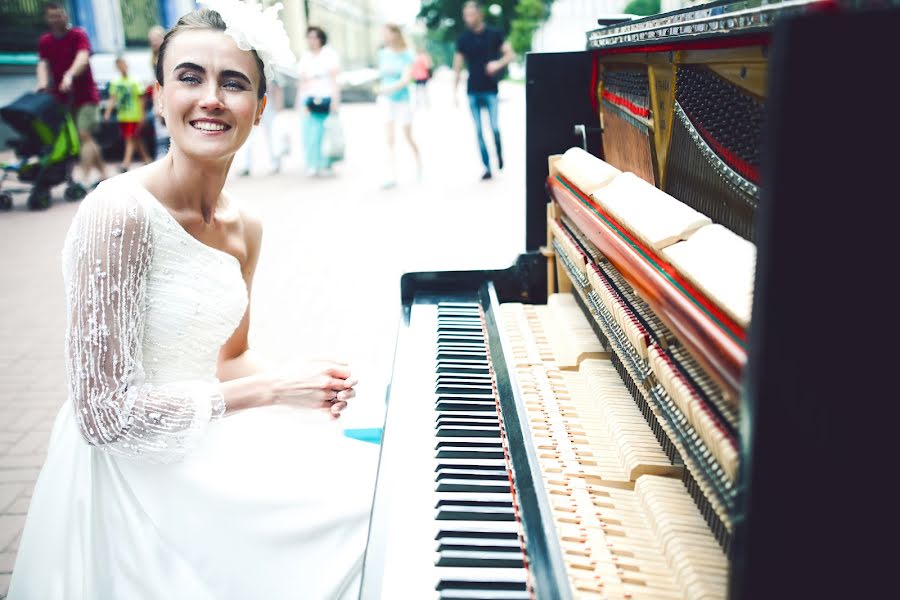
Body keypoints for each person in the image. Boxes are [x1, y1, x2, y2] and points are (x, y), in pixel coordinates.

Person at [8, 2, 376, 599]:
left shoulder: (245, 226)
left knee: (373, 485)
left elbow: (231, 357)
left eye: (234, 83)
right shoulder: (119, 212)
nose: (211, 98)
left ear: (259, 109)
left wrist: (320, 382)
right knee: (348, 522)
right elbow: (102, 416)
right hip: (134, 475)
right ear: (159, 97)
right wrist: (275, 391)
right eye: (189, 77)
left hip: (210, 430)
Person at [36, 1, 108, 185]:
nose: (55, 19)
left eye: (59, 15)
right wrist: (42, 83)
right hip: (62, 98)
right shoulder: (45, 41)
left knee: (83, 134)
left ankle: (83, 178)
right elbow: (43, 64)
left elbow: (83, 58)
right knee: (83, 138)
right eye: (52, 16)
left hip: (86, 96)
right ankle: (105, 174)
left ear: (65, 16)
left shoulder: (78, 35)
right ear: (47, 19)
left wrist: (69, 75)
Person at [453, 0, 514, 181]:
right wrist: (454, 92)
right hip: (472, 90)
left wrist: (498, 64)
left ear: (480, 14)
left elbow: (510, 54)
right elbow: (457, 65)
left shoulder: (494, 34)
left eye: (471, 14)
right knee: (479, 131)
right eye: (466, 15)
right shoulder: (463, 39)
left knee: (494, 128)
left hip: (490, 90)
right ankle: (487, 167)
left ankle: (499, 155)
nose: (468, 18)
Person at [376, 24, 421, 189]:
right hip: (386, 101)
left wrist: (386, 89)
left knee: (408, 136)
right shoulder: (382, 54)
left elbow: (405, 79)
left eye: (386, 32)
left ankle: (419, 166)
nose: (383, 35)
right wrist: (381, 90)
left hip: (402, 100)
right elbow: (381, 76)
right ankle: (391, 175)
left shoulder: (407, 54)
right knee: (389, 139)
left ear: (395, 34)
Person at [297, 26, 340, 177]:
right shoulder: (305, 57)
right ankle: (312, 163)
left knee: (325, 131)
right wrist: (300, 101)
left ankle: (325, 162)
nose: (312, 41)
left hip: (326, 96)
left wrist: (336, 100)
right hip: (309, 97)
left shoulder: (329, 55)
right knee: (310, 133)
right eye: (309, 37)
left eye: (315, 37)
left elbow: (335, 79)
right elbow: (302, 80)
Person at [104, 55, 152, 172]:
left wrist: (142, 114)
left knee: (130, 138)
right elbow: (113, 98)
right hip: (123, 115)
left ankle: (126, 164)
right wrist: (108, 111)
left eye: (123, 64)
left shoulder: (135, 81)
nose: (121, 67)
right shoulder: (116, 82)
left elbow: (142, 98)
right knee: (136, 138)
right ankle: (147, 160)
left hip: (134, 115)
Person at [235, 72, 287, 176]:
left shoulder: (271, 67)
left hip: (269, 105)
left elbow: (278, 87)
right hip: (253, 103)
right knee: (247, 135)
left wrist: (278, 106)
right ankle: (245, 165)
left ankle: (275, 164)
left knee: (272, 135)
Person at [148, 24, 171, 159]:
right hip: (159, 95)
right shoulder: (153, 58)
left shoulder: (169, 56)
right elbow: (155, 83)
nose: (153, 41)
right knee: (161, 131)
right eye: (151, 39)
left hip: (168, 95)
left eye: (156, 38)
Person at [410, 45, 433, 110]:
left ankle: (418, 103)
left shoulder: (415, 58)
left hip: (417, 76)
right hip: (423, 76)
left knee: (418, 90)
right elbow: (428, 66)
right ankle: (426, 103)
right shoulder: (424, 57)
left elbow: (412, 68)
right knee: (424, 90)